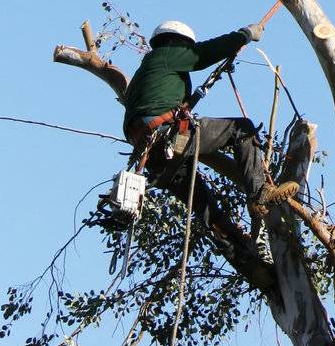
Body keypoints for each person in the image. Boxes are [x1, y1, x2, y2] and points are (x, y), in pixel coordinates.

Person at [122, 19, 298, 223]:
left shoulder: (145, 75)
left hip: (152, 156)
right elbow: (205, 53)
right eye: (187, 46)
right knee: (241, 128)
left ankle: (244, 255)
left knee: (207, 209)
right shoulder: (166, 54)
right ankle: (260, 193)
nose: (188, 50)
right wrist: (244, 35)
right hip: (166, 136)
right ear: (177, 42)